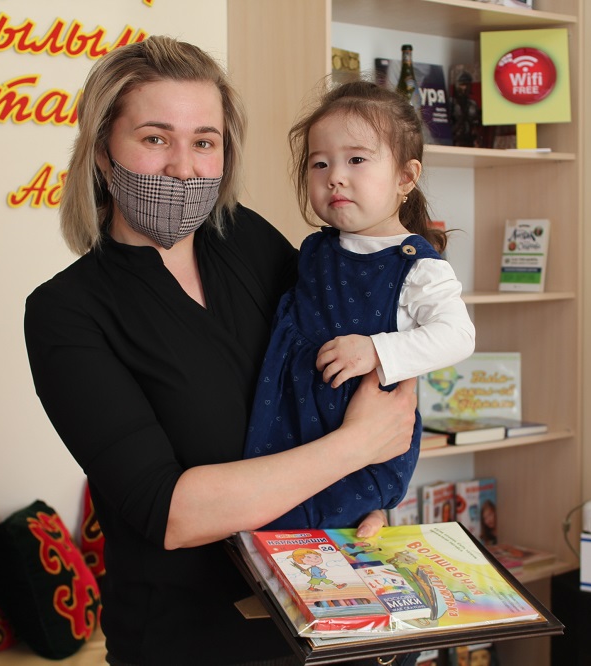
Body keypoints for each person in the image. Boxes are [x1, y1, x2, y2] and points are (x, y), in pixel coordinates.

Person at [24, 36, 418, 666]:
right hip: (190, 644)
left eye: (204, 142)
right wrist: (356, 447)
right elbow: (170, 512)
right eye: (156, 138)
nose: (184, 168)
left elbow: (356, 360)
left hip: (328, 614)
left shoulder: (249, 241)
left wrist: (370, 498)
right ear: (101, 150)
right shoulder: (66, 313)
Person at [244, 80, 475, 530]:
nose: (334, 176)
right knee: (268, 528)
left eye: (356, 160)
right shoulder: (315, 250)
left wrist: (375, 350)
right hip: (287, 421)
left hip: (361, 440)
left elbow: (459, 336)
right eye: (320, 163)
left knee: (325, 538)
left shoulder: (416, 266)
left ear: (406, 177)